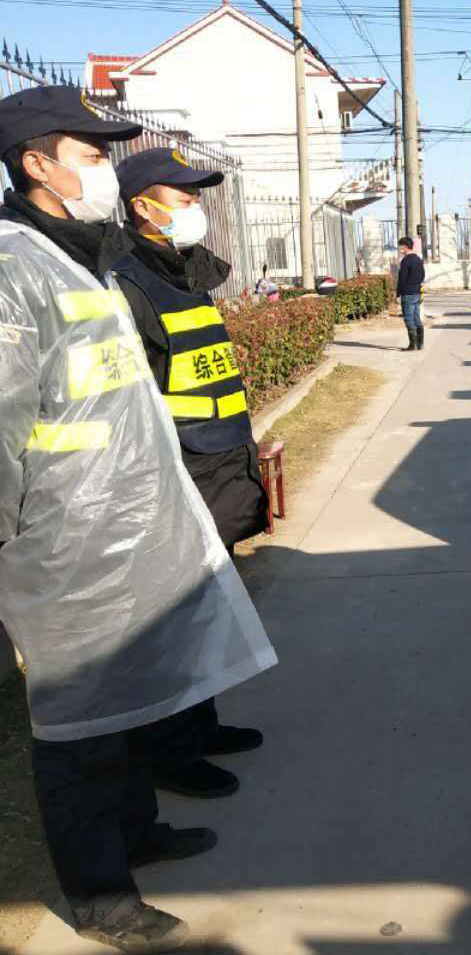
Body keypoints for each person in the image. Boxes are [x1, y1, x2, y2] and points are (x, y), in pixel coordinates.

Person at [0, 86, 277, 953]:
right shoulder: (13, 266)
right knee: (77, 729)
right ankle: (100, 897)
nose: (104, 172)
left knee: (122, 706)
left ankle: (138, 832)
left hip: (115, 528)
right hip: (58, 544)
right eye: (90, 156)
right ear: (36, 163)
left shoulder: (78, 258)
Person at [110, 147, 267, 801]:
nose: (196, 208)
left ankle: (201, 725)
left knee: (203, 613)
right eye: (183, 198)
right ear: (143, 205)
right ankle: (170, 754)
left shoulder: (183, 272)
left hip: (216, 465)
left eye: (197, 197)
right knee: (171, 622)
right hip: (173, 475)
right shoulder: (126, 282)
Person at [397, 235, 425, 351]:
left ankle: (412, 345)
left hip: (407, 294)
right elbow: (422, 275)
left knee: (408, 318)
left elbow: (402, 279)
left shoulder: (405, 261)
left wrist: (398, 294)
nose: (399, 249)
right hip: (417, 293)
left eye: (400, 246)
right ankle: (420, 344)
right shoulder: (418, 259)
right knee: (417, 318)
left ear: (404, 247)